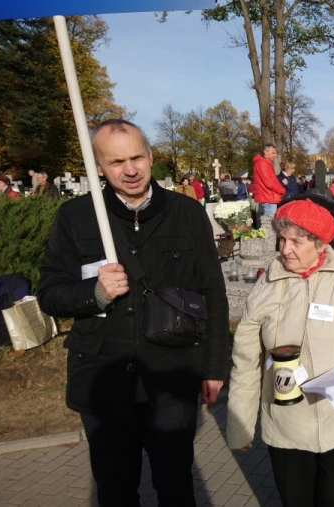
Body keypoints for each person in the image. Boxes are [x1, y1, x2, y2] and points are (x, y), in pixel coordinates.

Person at [37, 119, 229, 507]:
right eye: (116, 161)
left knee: (176, 487)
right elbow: (50, 295)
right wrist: (94, 293)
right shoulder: (76, 216)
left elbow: (213, 294)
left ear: (151, 156)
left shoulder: (187, 213)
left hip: (171, 377)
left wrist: (214, 368)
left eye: (137, 157)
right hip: (104, 379)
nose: (130, 170)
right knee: (115, 491)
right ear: (99, 167)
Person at [226, 198, 334, 507]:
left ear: (319, 243)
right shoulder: (266, 286)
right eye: (282, 239)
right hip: (288, 428)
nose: (285, 249)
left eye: (296, 241)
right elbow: (246, 362)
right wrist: (241, 426)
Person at [250, 144, 285, 217]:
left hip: (268, 196)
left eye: (275, 153)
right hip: (268, 197)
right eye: (273, 153)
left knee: (268, 220)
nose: (275, 155)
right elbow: (269, 183)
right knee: (268, 221)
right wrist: (282, 190)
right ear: (265, 152)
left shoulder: (266, 163)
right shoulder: (262, 163)